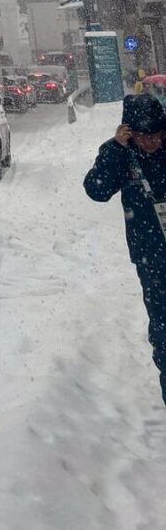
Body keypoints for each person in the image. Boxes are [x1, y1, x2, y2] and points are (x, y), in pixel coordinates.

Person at [84, 93, 166, 404]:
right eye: (145, 137)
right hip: (152, 257)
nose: (152, 143)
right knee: (163, 328)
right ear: (129, 133)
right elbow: (96, 190)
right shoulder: (121, 155)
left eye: (158, 135)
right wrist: (115, 150)